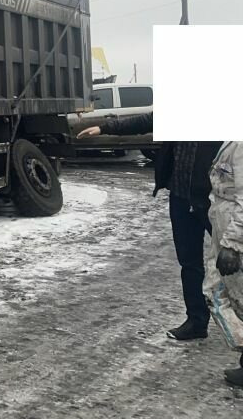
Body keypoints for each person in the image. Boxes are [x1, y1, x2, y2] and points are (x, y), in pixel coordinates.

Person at [78, 113, 222, 340]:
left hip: (215, 200)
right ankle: (196, 321)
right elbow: (145, 121)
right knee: (189, 262)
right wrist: (104, 127)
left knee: (234, 262)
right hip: (181, 197)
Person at [207, 141, 243, 386]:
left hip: (234, 227)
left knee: (223, 294)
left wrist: (232, 243)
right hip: (224, 219)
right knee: (218, 292)